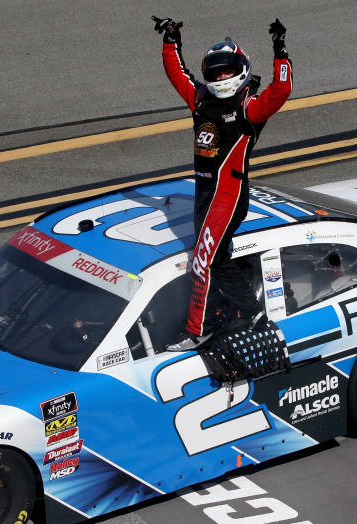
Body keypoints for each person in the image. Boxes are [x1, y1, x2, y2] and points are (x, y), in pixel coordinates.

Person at [152, 16, 293, 350]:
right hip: (204, 196)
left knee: (202, 261)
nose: (221, 77)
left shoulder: (250, 107)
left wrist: (280, 49)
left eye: (227, 71)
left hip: (227, 197)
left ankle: (195, 330)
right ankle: (252, 312)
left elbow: (282, 88)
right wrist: (171, 39)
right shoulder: (200, 98)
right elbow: (177, 73)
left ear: (240, 69)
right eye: (215, 73)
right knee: (217, 259)